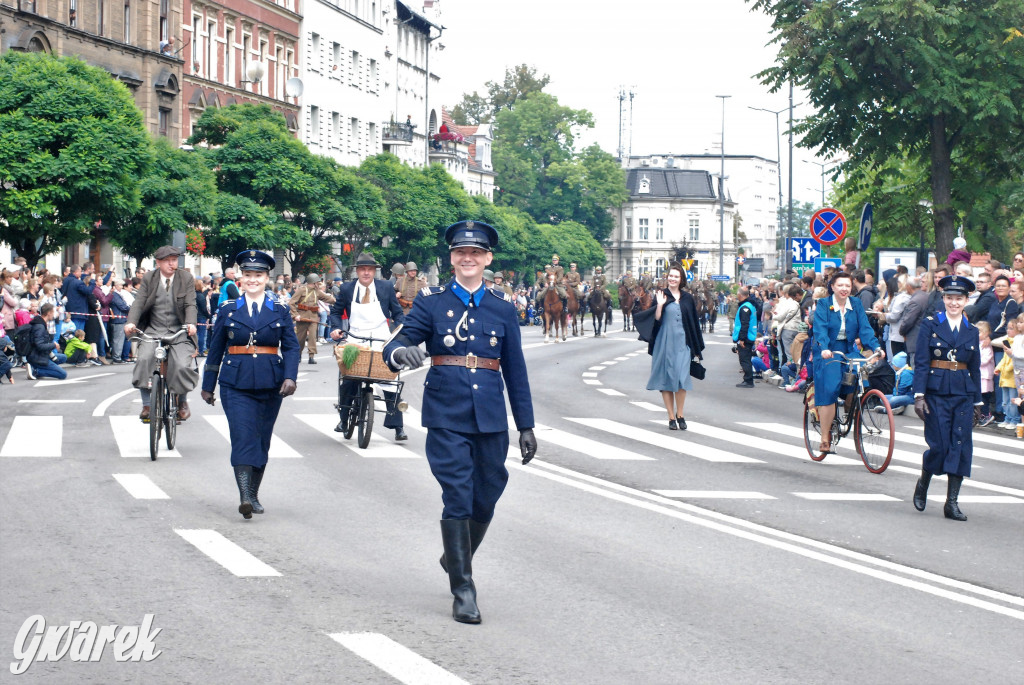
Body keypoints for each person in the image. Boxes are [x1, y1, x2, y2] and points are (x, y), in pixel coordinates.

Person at [382, 220, 536, 625]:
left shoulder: (503, 308)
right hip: (446, 412)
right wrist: (401, 356)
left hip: (488, 414)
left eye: (476, 253)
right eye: (460, 253)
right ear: (452, 259)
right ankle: (464, 589)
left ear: (487, 259)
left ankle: (454, 556)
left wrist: (526, 425)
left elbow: (516, 371)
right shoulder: (432, 302)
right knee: (458, 495)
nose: (467, 259)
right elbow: (396, 343)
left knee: (488, 492)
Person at [201, 250, 299, 519]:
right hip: (235, 383)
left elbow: (291, 347)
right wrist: (208, 384)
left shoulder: (278, 309)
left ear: (267, 278)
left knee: (262, 438)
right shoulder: (228, 309)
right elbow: (215, 349)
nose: (253, 280)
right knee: (243, 436)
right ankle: (244, 495)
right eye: (248, 275)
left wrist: (290, 377)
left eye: (258, 275)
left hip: (271, 383)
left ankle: (254, 493)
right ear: (241, 279)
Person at [911, 275, 983, 520]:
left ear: (966, 300)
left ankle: (951, 502)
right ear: (943, 299)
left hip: (962, 392)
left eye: (959, 299)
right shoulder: (931, 324)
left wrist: (977, 400)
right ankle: (924, 482)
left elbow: (974, 366)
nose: (954, 303)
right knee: (940, 446)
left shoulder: (971, 330)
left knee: (960, 446)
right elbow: (921, 361)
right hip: (936, 392)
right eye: (950, 298)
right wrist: (919, 395)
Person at [328, 252, 408, 441]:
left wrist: (401, 331)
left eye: (369, 269)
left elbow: (398, 314)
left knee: (391, 380)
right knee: (348, 378)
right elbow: (336, 312)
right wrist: (336, 328)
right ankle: (344, 418)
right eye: (362, 269)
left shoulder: (386, 287)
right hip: (355, 338)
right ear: (357, 271)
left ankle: (398, 426)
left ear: (374, 271)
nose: (366, 273)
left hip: (382, 338)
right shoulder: (347, 288)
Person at [124, 246, 199, 423]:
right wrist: (131, 322)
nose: (172, 264)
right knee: (143, 359)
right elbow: (139, 302)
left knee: (181, 364)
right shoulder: (149, 278)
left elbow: (190, 304)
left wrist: (191, 324)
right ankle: (146, 405)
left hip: (179, 330)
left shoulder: (185, 277)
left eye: (174, 260)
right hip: (153, 330)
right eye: (168, 260)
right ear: (158, 262)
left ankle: (181, 401)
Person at [811, 272, 883, 455]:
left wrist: (876, 347)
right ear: (833, 287)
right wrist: (824, 348)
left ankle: (852, 415)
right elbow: (820, 330)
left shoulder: (856, 304)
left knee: (860, 382)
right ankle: (825, 437)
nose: (844, 289)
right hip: (829, 351)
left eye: (848, 286)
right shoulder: (823, 304)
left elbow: (865, 329)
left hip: (849, 349)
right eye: (840, 285)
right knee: (831, 386)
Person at [644, 264, 704, 430]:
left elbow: (693, 324)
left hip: (683, 344)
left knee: (682, 379)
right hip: (664, 343)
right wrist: (660, 305)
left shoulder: (688, 298)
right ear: (667, 277)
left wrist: (697, 348)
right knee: (666, 379)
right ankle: (671, 417)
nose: (672, 279)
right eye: (671, 276)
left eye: (676, 276)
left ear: (681, 279)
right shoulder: (661, 295)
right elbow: (655, 321)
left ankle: (681, 414)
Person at [289, 273, 335, 365]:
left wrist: (335, 299)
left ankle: (311, 356)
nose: (318, 284)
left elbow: (326, 298)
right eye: (317, 282)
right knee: (300, 338)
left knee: (313, 337)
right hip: (302, 317)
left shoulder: (316, 291)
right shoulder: (301, 290)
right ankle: (298, 355)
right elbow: (291, 303)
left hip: (313, 317)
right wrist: (295, 315)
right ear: (313, 282)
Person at [24, 303, 67, 380]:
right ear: (49, 313)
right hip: (37, 357)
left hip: (41, 354)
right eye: (53, 312)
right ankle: (36, 371)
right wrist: (53, 345)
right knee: (62, 374)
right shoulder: (39, 326)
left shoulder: (41, 323)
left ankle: (45, 367)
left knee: (63, 357)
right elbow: (39, 345)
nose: (54, 315)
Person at [733, 288, 758, 388]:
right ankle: (748, 379)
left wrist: (742, 339)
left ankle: (748, 380)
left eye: (737, 294)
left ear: (741, 295)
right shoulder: (749, 305)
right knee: (746, 358)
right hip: (749, 336)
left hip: (746, 337)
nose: (737, 296)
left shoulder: (745, 308)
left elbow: (744, 324)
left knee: (744, 359)